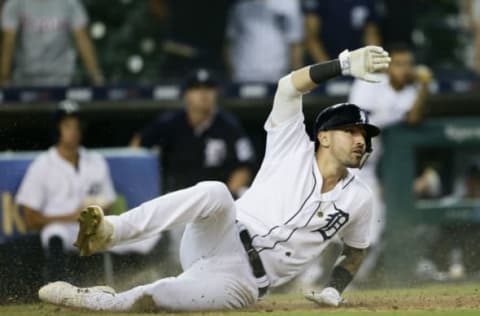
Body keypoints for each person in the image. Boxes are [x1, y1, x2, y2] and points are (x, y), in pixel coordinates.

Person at [38, 45, 390, 312]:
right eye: (350, 131)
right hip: (220, 233)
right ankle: (110, 231)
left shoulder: (359, 197)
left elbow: (356, 251)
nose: (361, 140)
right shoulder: (292, 146)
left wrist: (334, 288)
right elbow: (287, 87)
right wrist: (342, 65)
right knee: (215, 191)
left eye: (365, 134)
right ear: (324, 137)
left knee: (154, 299)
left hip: (244, 282)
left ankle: (96, 300)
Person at [348, 43, 432, 278]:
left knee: (372, 229)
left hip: (367, 170)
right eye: (398, 64)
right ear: (386, 67)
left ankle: (345, 285)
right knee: (326, 225)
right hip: (340, 163)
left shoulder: (409, 92)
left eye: (408, 65)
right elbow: (359, 124)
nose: (404, 69)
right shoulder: (367, 83)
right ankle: (304, 278)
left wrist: (424, 86)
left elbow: (414, 119)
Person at [15, 100, 116, 281]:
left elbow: (109, 203)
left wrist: (94, 214)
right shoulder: (42, 165)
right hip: (58, 228)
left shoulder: (96, 161)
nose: (74, 131)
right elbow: (29, 219)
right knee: (55, 233)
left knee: (133, 234)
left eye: (77, 126)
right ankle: (57, 286)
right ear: (57, 129)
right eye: (67, 125)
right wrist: (72, 216)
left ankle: (125, 282)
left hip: (91, 227)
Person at [130, 68, 256, 197]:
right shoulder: (170, 123)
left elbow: (244, 166)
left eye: (208, 88)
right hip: (176, 198)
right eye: (196, 89)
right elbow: (138, 145)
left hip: (214, 202)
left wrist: (228, 197)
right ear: (186, 94)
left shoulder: (229, 126)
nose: (203, 94)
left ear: (217, 93)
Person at [0, 0, 104, 86]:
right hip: (25, 77)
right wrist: (3, 77)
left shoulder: (70, 3)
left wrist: (95, 74)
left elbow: (82, 40)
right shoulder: (15, 4)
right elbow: (8, 43)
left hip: (63, 77)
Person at [225, 0, 304, 83]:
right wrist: (232, 72)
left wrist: (296, 81)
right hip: (242, 76)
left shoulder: (289, 4)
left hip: (277, 76)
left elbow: (295, 45)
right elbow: (229, 43)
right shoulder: (239, 6)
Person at [303, 0, 381, 63]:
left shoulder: (368, 2)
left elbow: (371, 34)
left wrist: (375, 61)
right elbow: (311, 38)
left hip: (356, 63)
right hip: (323, 63)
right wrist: (328, 70)